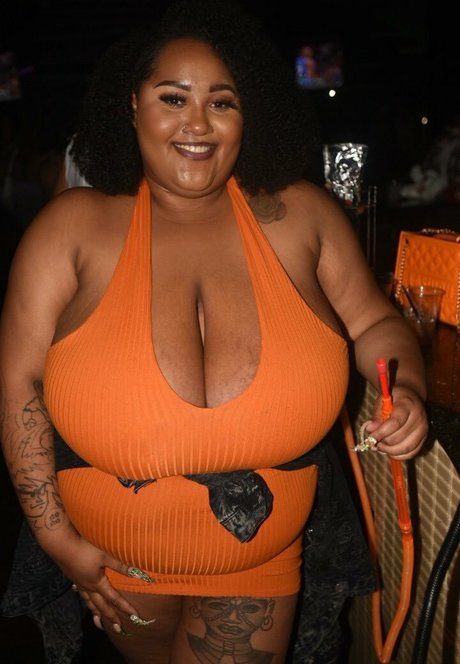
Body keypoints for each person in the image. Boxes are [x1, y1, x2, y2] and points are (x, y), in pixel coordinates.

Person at [0, 1, 428, 662]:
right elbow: (19, 384)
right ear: (133, 106)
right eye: (173, 98)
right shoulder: (69, 227)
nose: (197, 123)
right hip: (111, 560)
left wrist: (411, 391)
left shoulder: (303, 216)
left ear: (248, 114)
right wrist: (56, 539)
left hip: (258, 561)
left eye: (221, 102)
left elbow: (376, 322)